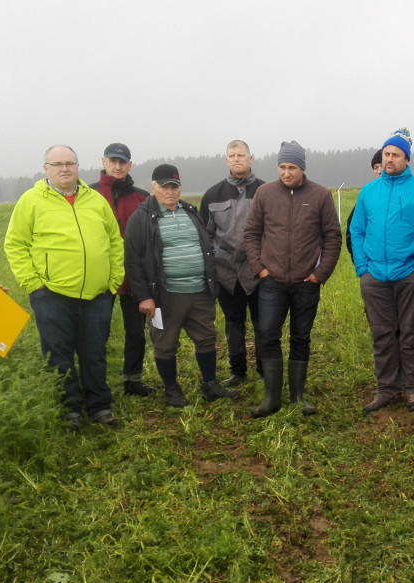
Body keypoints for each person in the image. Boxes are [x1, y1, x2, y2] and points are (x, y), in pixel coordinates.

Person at [4, 145, 124, 429]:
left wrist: (113, 280)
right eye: (57, 164)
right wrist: (33, 284)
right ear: (46, 168)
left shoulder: (94, 199)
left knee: (94, 352)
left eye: (69, 163)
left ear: (78, 166)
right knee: (58, 354)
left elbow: (115, 240)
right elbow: (15, 244)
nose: (64, 169)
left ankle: (99, 406)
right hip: (52, 295)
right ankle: (69, 409)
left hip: (97, 294)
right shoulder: (30, 201)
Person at [244, 141, 342, 417]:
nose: (287, 173)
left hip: (305, 283)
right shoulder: (264, 194)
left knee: (301, 337)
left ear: (302, 168)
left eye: (293, 167)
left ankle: (298, 395)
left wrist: (320, 274)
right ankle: (272, 397)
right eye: (282, 167)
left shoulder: (320, 195)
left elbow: (332, 236)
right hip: (271, 282)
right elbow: (251, 233)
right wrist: (259, 269)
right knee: (267, 335)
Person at [125, 164, 236, 407]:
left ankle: (210, 384)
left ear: (180, 188)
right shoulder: (141, 218)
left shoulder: (191, 212)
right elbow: (133, 262)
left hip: (199, 290)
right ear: (153, 188)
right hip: (166, 296)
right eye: (164, 187)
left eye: (174, 186)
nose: (170, 191)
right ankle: (172, 390)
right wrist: (144, 296)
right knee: (165, 345)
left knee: (206, 338)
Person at [350, 128, 414, 412]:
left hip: (409, 274)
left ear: (406, 158)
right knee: (382, 333)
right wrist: (363, 268)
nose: (389, 159)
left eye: (396, 155)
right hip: (374, 276)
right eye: (386, 153)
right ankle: (387, 388)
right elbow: (357, 230)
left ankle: (413, 388)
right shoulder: (368, 191)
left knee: (411, 332)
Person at [90, 142, 154, 397]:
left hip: (134, 277)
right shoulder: (89, 194)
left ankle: (132, 380)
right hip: (100, 277)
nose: (117, 166)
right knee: (96, 334)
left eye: (122, 162)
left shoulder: (142, 198)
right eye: (112, 161)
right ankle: (96, 384)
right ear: (103, 162)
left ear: (130, 165)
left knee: (136, 332)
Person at [201, 140, 264, 387]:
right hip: (226, 274)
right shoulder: (212, 195)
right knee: (233, 323)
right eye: (232, 155)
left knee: (263, 323)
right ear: (226, 160)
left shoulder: (266, 191)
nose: (237, 159)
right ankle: (238, 372)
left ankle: (263, 369)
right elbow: (205, 236)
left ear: (251, 158)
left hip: (258, 271)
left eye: (241, 155)